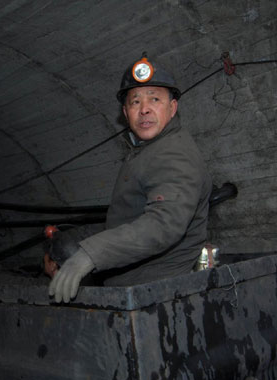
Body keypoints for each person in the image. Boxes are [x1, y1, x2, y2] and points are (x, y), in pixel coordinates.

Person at [49, 53, 212, 303]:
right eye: (135, 102)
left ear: (172, 107)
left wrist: (89, 256)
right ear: (126, 113)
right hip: (141, 291)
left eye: (154, 99)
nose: (144, 109)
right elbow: (127, 220)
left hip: (160, 299)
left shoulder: (173, 153)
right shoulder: (148, 150)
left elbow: (162, 225)